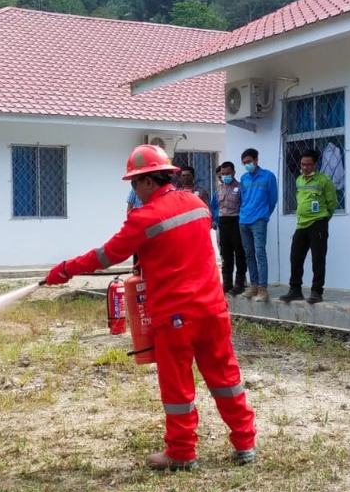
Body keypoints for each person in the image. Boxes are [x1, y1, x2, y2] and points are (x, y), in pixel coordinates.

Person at [44, 144, 257, 471]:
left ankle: (182, 453)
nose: (134, 191)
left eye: (134, 184)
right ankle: (245, 443)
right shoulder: (198, 204)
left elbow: (106, 256)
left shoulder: (144, 217)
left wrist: (65, 269)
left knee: (177, 386)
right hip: (213, 310)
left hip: (176, 316)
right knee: (226, 377)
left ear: (146, 181)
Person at [280, 149, 338, 305]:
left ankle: (316, 291)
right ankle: (295, 290)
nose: (305, 167)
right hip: (301, 224)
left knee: (318, 259)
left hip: (318, 223)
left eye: (308, 164)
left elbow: (332, 203)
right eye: (302, 164)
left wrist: (324, 218)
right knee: (295, 257)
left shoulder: (323, 181)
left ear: (315, 164)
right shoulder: (299, 180)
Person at [238, 148, 278, 303]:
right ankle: (253, 285)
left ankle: (263, 289)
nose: (247, 165)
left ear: (256, 160)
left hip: (259, 220)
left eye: (249, 161)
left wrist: (265, 215)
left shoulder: (268, 176)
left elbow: (272, 199)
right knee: (249, 254)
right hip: (244, 220)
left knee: (260, 253)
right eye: (244, 163)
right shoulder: (244, 178)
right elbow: (243, 198)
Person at [213, 161, 247, 295]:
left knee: (239, 253)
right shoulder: (219, 189)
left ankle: (239, 284)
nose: (225, 176)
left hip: (236, 221)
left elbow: (244, 205)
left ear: (233, 173)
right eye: (223, 174)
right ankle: (227, 283)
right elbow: (216, 206)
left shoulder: (240, 187)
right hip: (223, 221)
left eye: (227, 173)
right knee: (225, 254)